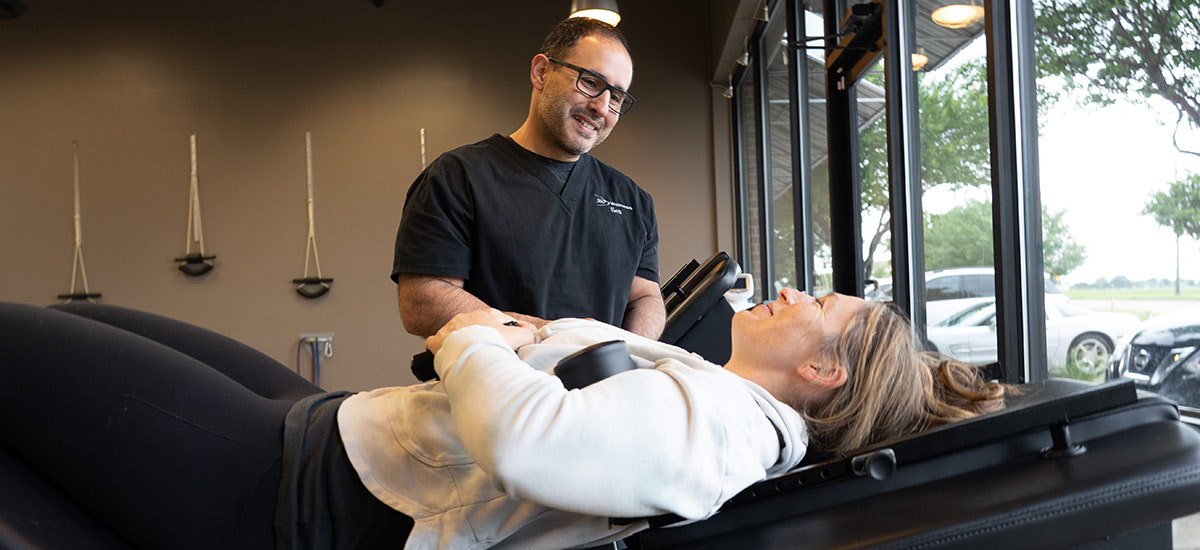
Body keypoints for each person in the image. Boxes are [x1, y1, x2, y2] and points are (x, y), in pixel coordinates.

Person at [0, 289, 1006, 549]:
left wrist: (473, 333)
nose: (793, 293)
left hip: (281, 492)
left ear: (826, 371)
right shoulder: (725, 393)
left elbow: (532, 442)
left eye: (817, 306)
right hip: (322, 432)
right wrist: (527, 338)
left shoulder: (734, 429)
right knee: (74, 325)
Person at [392, 17, 665, 340]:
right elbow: (421, 301)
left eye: (616, 97)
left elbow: (645, 296)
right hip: (491, 385)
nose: (602, 107)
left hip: (603, 387)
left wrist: (633, 354)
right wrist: (554, 335)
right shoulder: (457, 177)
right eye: (591, 82)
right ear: (541, 72)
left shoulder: (633, 201)